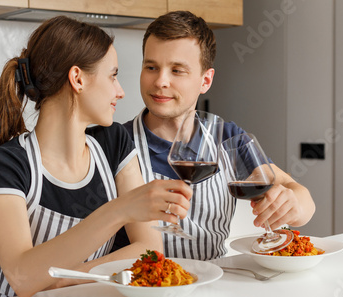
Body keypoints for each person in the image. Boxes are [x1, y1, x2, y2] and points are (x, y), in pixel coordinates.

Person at [0, 16, 193, 297]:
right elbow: (22, 278)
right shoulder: (6, 164)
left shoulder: (113, 145)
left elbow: (148, 248)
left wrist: (59, 280)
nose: (120, 91)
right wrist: (119, 211)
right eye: (112, 75)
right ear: (78, 78)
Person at [112, 11, 316, 260]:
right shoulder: (115, 142)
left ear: (205, 81)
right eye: (151, 67)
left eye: (177, 70)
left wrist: (293, 204)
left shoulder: (228, 138)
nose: (160, 81)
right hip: (139, 288)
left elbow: (301, 197)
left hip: (216, 283)